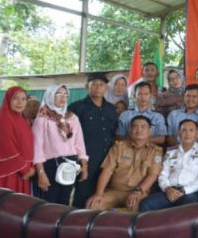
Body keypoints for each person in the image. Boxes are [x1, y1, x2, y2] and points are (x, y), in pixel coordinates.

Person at [86, 115, 163, 212]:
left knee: (135, 206)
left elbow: (153, 175)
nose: (139, 130)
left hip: (138, 192)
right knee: (93, 204)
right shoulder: (119, 147)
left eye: (143, 127)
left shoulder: (155, 151)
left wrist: (138, 191)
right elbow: (107, 170)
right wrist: (98, 193)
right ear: (130, 130)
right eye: (135, 127)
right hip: (115, 191)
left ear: (149, 131)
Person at [69, 73, 118, 208]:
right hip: (85, 161)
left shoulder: (111, 109)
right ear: (87, 86)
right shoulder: (76, 107)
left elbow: (114, 132)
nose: (98, 87)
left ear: (106, 88)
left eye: (101, 85)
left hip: (108, 161)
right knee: (82, 198)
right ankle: (77, 225)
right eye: (94, 84)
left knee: (103, 199)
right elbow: (69, 137)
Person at [140, 119, 198, 211]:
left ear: (197, 133)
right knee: (146, 204)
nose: (187, 133)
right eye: (184, 130)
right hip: (169, 191)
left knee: (190, 208)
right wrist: (168, 189)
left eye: (191, 130)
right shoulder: (171, 151)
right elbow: (163, 174)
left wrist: (184, 191)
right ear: (179, 133)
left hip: (190, 193)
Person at [32, 84, 87, 204]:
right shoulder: (42, 119)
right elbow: (37, 149)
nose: (63, 98)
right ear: (50, 96)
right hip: (50, 165)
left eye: (66, 95)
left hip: (71, 163)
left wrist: (84, 165)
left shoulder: (72, 118)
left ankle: (62, 223)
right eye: (59, 94)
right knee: (49, 202)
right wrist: (41, 173)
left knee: (65, 201)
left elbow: (79, 143)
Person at [0, 86, 35, 194]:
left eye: (23, 99)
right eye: (15, 98)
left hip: (22, 172)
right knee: (7, 206)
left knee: (19, 207)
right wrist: (25, 170)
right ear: (8, 99)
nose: (20, 102)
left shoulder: (21, 119)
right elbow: (7, 148)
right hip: (9, 172)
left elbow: (28, 146)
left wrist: (31, 168)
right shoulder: (4, 118)